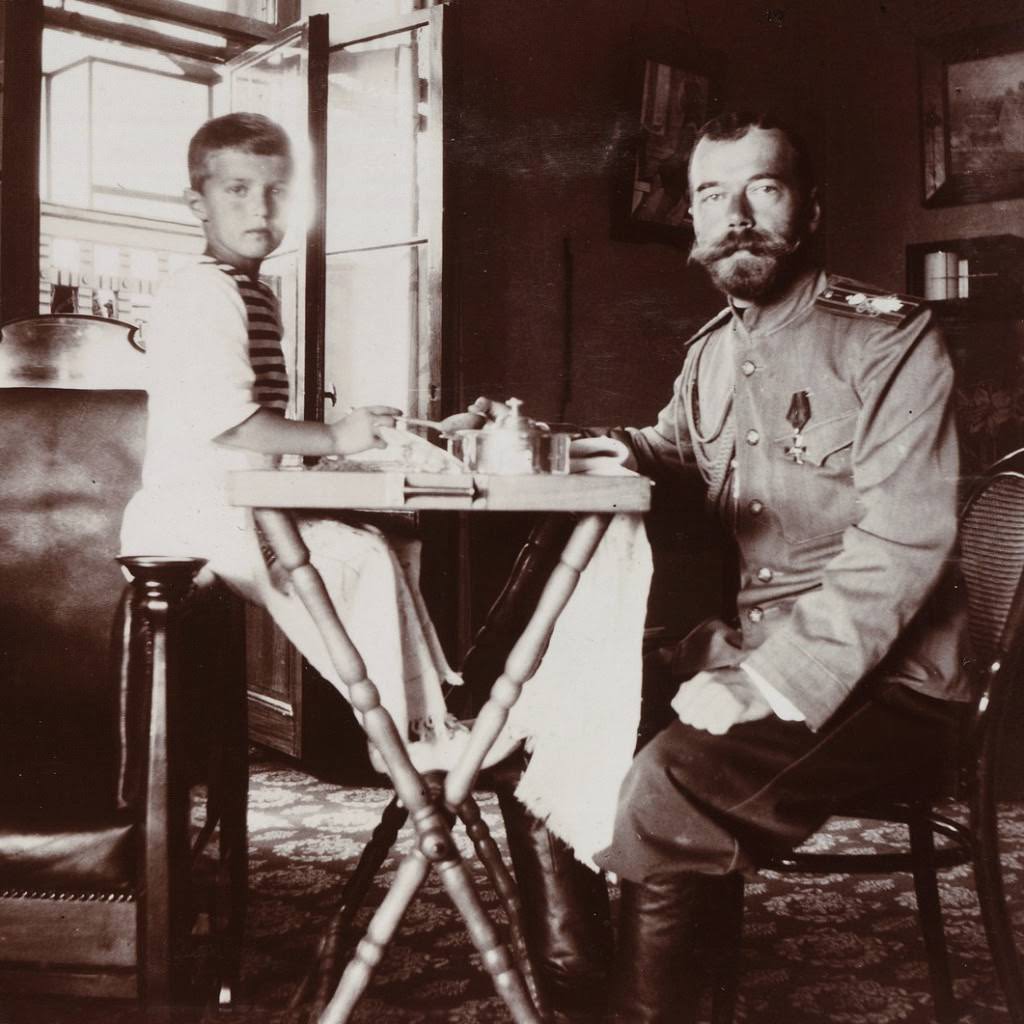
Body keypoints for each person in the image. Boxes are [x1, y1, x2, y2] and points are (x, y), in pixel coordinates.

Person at [585, 110, 970, 1022]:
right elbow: (671, 449)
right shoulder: (712, 354)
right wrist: (561, 444)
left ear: (810, 208)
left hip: (886, 678)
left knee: (667, 780)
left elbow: (906, 539)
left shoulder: (889, 339)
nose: (737, 216)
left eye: (764, 187)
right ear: (692, 222)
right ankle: (574, 996)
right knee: (553, 720)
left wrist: (768, 679)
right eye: (713, 195)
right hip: (742, 650)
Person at [121, 112, 484, 772]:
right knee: (358, 560)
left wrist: (371, 441)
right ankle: (412, 734)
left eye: (278, 191)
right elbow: (232, 423)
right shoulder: (201, 294)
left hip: (237, 502)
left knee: (389, 542)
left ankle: (424, 717)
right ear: (196, 203)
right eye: (238, 190)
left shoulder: (249, 291)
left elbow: (262, 438)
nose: (261, 207)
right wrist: (334, 433)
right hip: (194, 515)